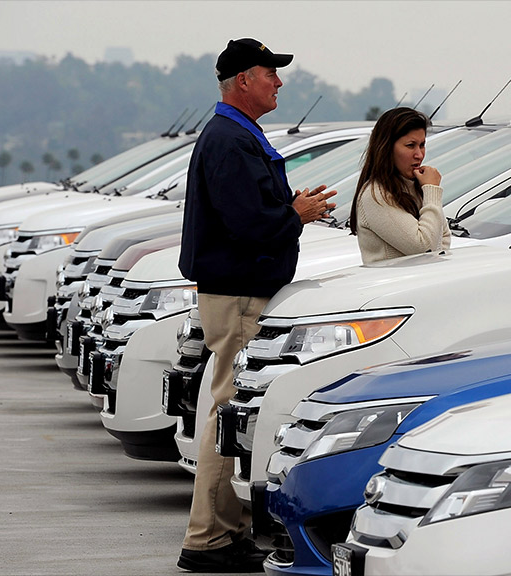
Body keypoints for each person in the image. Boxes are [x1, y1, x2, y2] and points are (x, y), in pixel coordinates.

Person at [176, 38, 336, 573]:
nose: (279, 81)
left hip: (240, 291)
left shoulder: (235, 135)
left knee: (229, 411)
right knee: (229, 414)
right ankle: (210, 540)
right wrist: (296, 213)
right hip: (238, 294)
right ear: (243, 79)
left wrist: (291, 210)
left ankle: (223, 532)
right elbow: (247, 223)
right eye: (271, 72)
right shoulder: (229, 139)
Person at [349, 107, 450, 264]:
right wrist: (431, 190)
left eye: (422, 144)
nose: (419, 154)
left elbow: (443, 239)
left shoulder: (417, 185)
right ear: (387, 147)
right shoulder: (376, 194)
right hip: (395, 286)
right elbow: (425, 248)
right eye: (410, 145)